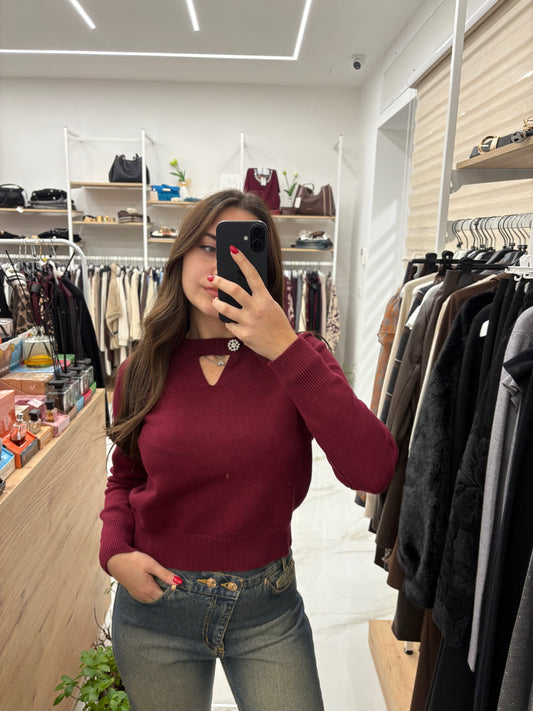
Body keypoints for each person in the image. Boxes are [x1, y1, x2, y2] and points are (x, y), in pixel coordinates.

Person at [99, 189, 398, 711]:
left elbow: (374, 470)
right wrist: (114, 550)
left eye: (237, 251)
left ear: (265, 267)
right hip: (154, 612)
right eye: (206, 246)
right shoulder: (142, 368)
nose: (219, 265)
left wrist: (284, 348)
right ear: (181, 255)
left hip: (266, 612)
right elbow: (124, 478)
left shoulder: (300, 359)